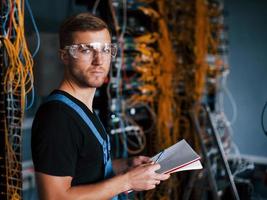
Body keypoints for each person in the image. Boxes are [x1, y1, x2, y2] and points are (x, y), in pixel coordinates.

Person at [31, 13, 170, 200]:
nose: (99, 60)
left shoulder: (82, 108)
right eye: (86, 50)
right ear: (64, 56)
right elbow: (55, 197)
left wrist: (126, 165)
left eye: (105, 50)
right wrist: (127, 181)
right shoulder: (57, 117)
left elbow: (85, 168)